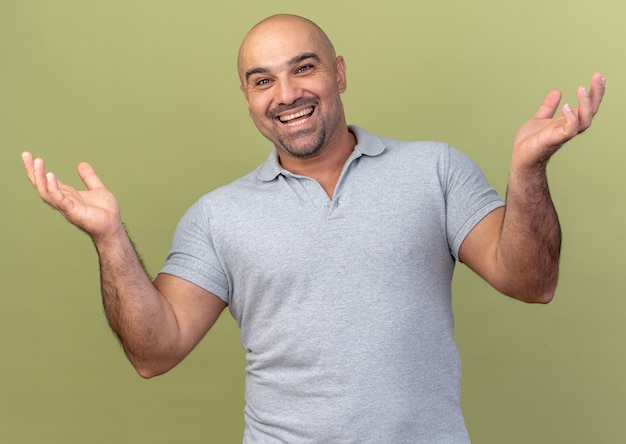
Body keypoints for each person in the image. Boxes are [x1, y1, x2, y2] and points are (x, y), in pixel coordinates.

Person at [22, 13, 605, 444]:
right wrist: (110, 240)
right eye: (262, 80)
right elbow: (155, 351)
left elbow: (532, 281)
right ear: (248, 98)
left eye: (304, 68)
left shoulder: (435, 170)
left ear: (340, 73)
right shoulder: (218, 215)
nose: (287, 94)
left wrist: (528, 171)